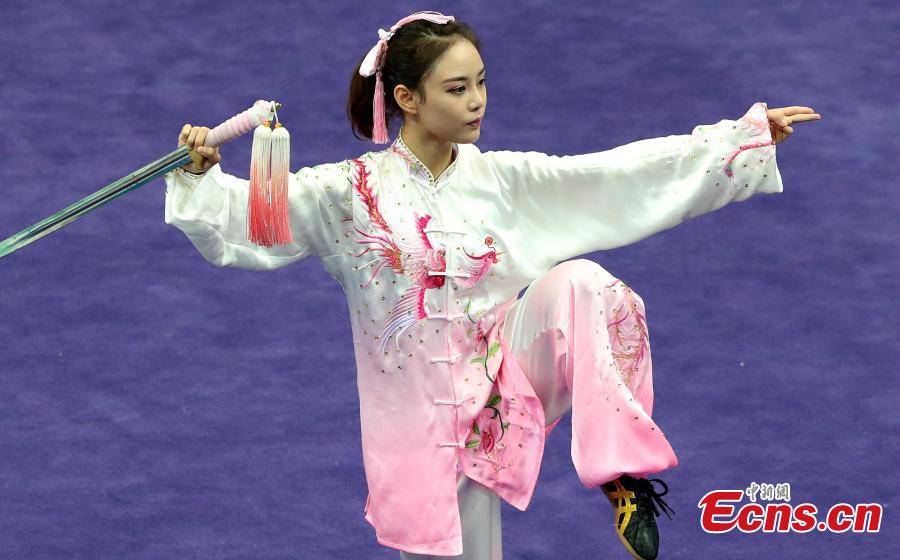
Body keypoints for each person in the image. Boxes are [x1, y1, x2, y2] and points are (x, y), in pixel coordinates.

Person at [164, 10, 821, 560]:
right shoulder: (348, 194)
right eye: (456, 89)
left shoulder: (501, 179)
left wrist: (741, 140)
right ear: (406, 99)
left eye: (480, 83)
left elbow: (618, 178)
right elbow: (252, 227)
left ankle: (620, 472)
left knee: (584, 286)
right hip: (416, 431)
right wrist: (198, 176)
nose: (476, 101)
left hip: (503, 386)